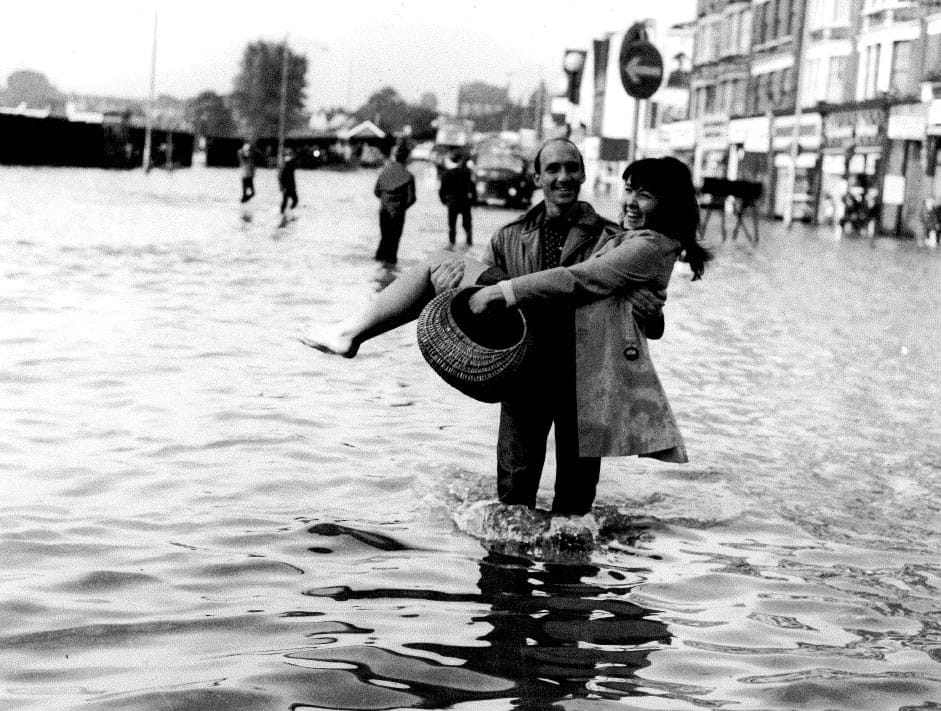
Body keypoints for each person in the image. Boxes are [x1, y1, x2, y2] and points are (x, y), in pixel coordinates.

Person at [302, 141, 708, 515]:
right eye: (553, 169)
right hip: (525, 374)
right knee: (512, 499)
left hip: (582, 377)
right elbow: (480, 315)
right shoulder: (508, 236)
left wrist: (651, 314)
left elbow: (604, 295)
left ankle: (351, 333)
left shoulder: (616, 237)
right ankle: (514, 584)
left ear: (584, 175)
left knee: (576, 506)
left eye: (571, 168)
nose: (563, 177)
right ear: (537, 179)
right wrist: (456, 289)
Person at [373, 143, 417, 265]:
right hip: (398, 212)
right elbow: (411, 199)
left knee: (384, 238)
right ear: (407, 158)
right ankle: (390, 271)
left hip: (383, 209)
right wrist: (400, 206)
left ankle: (378, 268)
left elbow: (376, 191)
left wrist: (385, 201)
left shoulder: (384, 172)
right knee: (394, 242)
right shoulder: (409, 176)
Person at [439, 151, 476, 246]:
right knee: (467, 224)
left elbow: (442, 190)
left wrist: (444, 201)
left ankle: (452, 242)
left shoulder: (447, 173)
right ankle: (469, 241)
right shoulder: (466, 172)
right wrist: (474, 200)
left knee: (452, 225)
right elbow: (472, 187)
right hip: (464, 201)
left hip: (452, 201)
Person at [278, 147, 299, 217]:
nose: (288, 157)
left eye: (289, 155)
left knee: (295, 200)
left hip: (291, 186)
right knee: (285, 201)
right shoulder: (284, 166)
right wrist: (282, 186)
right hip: (286, 186)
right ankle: (282, 213)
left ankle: (287, 212)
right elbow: (280, 177)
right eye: (286, 156)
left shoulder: (291, 164)